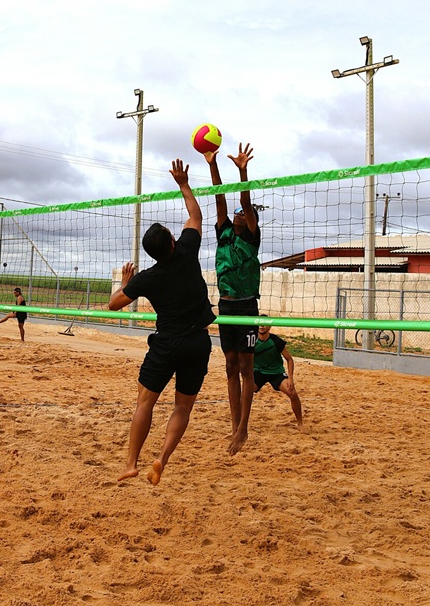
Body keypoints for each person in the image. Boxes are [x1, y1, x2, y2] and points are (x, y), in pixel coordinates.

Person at [109, 159, 216, 485]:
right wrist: (183, 183)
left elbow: (113, 305)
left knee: (145, 403)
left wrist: (127, 282)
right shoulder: (187, 249)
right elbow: (195, 216)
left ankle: (131, 463)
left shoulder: (147, 278)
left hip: (166, 344)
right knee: (182, 408)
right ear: (172, 241)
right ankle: (162, 458)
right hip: (198, 342)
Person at [206, 143, 260, 456]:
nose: (239, 215)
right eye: (237, 214)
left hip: (247, 305)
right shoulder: (224, 231)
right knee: (229, 367)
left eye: (243, 214)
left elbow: (243, 199)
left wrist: (243, 171)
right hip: (226, 305)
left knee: (246, 369)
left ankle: (244, 428)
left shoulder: (251, 235)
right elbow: (220, 197)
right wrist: (212, 164)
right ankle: (234, 423)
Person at [252, 322, 303, 429]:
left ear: (269, 326)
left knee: (292, 393)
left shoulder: (276, 341)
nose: (261, 326)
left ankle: (300, 423)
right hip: (258, 372)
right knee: (245, 394)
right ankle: (240, 424)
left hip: (276, 372)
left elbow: (289, 359)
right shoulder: (252, 340)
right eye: (259, 324)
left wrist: (290, 378)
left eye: (264, 324)